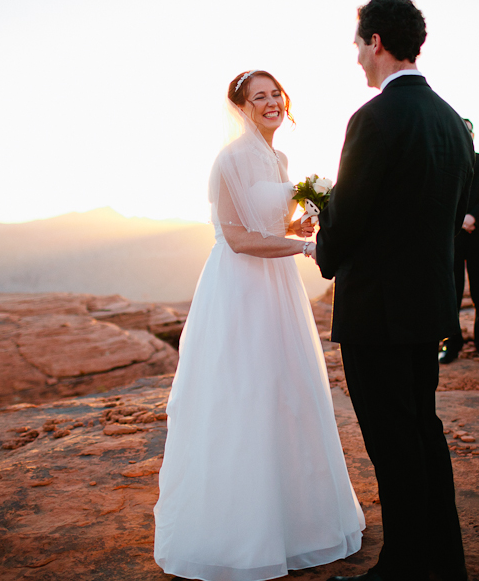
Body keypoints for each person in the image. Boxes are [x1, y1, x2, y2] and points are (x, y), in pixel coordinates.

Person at [154, 70, 365, 580]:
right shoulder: (229, 160)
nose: (271, 103)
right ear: (242, 108)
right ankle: (241, 531)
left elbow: (268, 225)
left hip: (278, 289)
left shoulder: (280, 159)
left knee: (286, 390)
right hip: (241, 291)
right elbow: (240, 239)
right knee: (245, 394)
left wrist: (298, 224)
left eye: (276, 94)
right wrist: (306, 245)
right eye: (259, 97)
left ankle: (297, 523)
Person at [316, 0, 472, 581]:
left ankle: (405, 565)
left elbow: (350, 214)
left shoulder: (374, 117)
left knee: (391, 440)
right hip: (429, 304)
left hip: (377, 309)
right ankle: (442, 559)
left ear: (376, 42)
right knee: (423, 431)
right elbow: (451, 209)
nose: (357, 56)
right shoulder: (449, 119)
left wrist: (324, 247)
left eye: (359, 44)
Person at [440, 118, 479, 364]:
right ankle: (450, 345)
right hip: (451, 238)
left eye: (468, 131)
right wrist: (459, 218)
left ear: (473, 136)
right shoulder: (442, 164)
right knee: (451, 294)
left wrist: (472, 216)